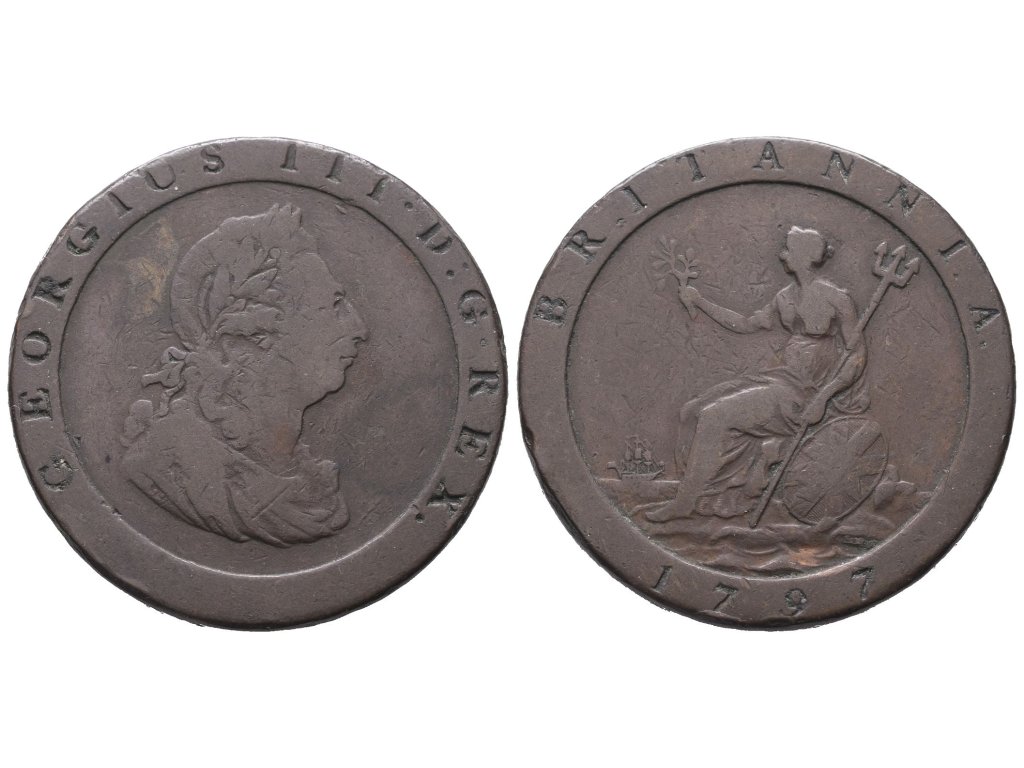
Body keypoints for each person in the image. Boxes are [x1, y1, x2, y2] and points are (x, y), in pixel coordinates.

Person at [122, 203, 368, 546]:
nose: (360, 329)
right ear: (247, 339)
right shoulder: (168, 469)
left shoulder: (303, 481)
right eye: (335, 306)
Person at [645, 225, 868, 523]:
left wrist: (824, 398)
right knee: (692, 410)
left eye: (788, 249)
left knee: (714, 415)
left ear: (803, 255)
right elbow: (745, 323)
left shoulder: (836, 299)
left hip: (805, 393)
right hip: (780, 380)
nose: (782, 255)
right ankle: (709, 495)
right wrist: (700, 301)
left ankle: (685, 503)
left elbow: (856, 357)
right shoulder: (785, 297)